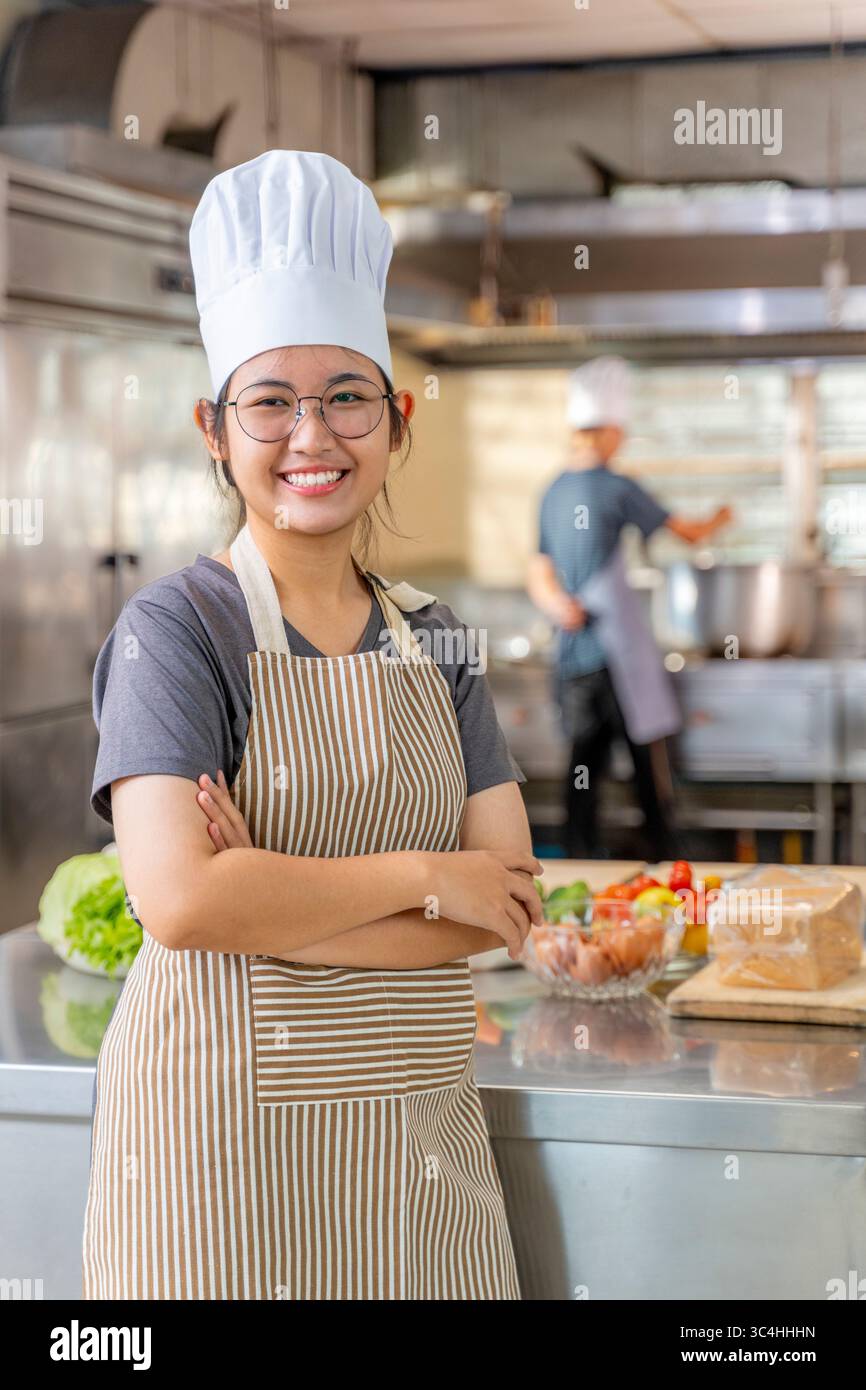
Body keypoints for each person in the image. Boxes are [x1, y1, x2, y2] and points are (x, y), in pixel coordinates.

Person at [81, 149, 542, 1301]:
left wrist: (269, 899)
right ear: (212, 425)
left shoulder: (435, 635)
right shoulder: (172, 631)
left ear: (395, 417)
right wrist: (429, 873)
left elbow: (513, 904)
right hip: (219, 1161)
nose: (310, 438)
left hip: (417, 1158)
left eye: (344, 396)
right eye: (270, 401)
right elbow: (183, 903)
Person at [527, 356, 732, 862]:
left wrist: (560, 606)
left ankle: (576, 867)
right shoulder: (618, 487)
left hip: (575, 656)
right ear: (608, 432)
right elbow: (688, 532)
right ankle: (667, 864)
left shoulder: (552, 491)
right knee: (646, 766)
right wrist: (721, 518)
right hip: (618, 657)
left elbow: (539, 568)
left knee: (583, 770)